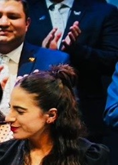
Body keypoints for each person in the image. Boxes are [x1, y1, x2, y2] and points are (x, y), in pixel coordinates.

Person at [25, 0, 118, 142]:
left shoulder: (104, 11)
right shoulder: (25, 9)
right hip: (35, 113)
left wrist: (77, 50)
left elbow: (112, 61)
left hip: (88, 117)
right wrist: (45, 55)